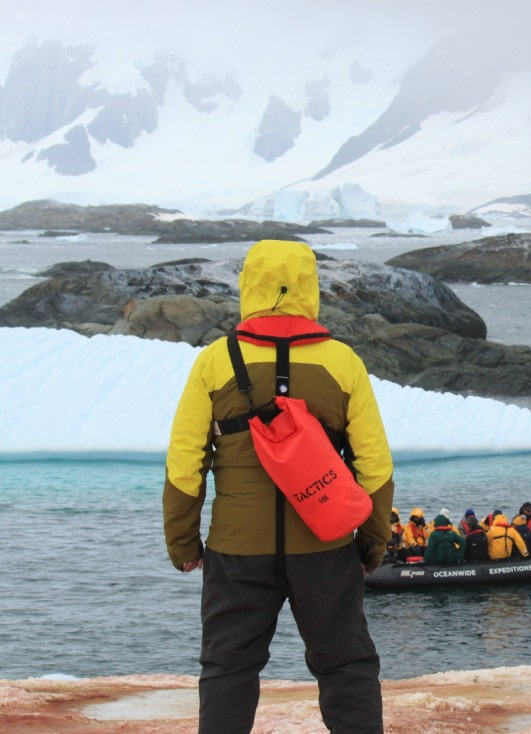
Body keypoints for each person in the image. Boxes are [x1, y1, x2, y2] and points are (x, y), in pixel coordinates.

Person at [162, 239, 394, 734]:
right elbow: (374, 464)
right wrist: (372, 542)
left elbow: (185, 463)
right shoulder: (342, 361)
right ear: (311, 286)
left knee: (228, 666)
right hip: (326, 545)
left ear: (249, 284)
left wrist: (183, 541)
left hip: (236, 549)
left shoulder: (214, 360)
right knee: (345, 665)